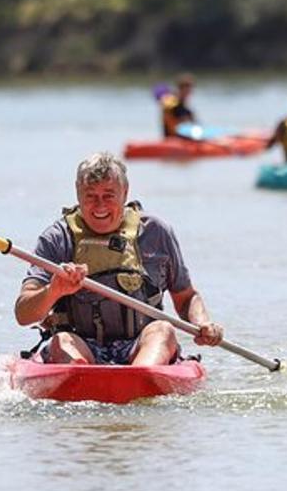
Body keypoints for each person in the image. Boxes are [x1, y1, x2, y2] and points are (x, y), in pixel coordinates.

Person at [14, 152, 224, 366]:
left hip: (140, 345)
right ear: (78, 195)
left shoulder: (156, 232)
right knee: (62, 340)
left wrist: (203, 323)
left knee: (163, 330)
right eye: (90, 196)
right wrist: (54, 290)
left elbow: (186, 297)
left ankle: (142, 377)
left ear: (125, 193)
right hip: (80, 343)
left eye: (108, 195)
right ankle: (79, 377)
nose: (100, 206)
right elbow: (23, 314)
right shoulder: (57, 238)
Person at [156, 74, 197, 138]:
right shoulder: (171, 101)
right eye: (187, 88)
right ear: (180, 88)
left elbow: (194, 125)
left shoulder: (187, 109)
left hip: (185, 140)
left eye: (190, 88)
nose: (189, 91)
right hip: (173, 140)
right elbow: (167, 120)